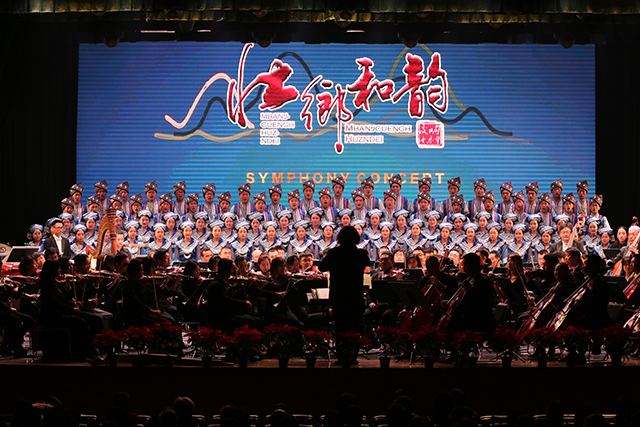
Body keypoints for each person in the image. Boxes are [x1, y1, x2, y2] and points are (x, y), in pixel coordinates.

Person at [319, 226, 370, 361]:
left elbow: (322, 267)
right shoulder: (360, 254)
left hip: (339, 295)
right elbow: (367, 263)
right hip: (355, 295)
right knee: (354, 326)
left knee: (340, 327)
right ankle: (353, 356)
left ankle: (341, 356)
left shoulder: (334, 253)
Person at [207, 258, 261, 331]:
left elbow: (232, 296)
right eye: (232, 269)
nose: (235, 271)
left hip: (227, 314)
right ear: (226, 271)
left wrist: (246, 287)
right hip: (221, 318)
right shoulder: (217, 285)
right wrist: (244, 303)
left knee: (257, 319)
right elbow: (227, 302)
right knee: (253, 322)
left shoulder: (222, 282)